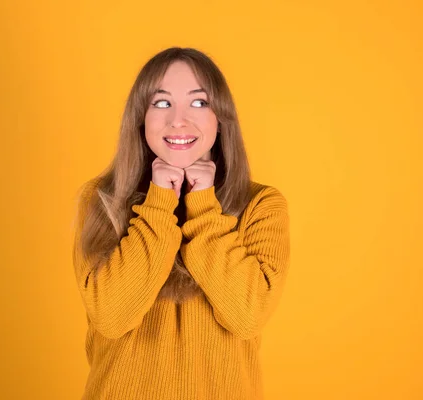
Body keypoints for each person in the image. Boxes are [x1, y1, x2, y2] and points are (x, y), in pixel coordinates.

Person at [72, 47, 290, 400]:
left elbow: (247, 316)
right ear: (140, 118)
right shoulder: (101, 200)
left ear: (221, 118)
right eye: (161, 103)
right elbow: (111, 317)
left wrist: (203, 206)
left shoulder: (261, 206)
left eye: (199, 103)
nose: (178, 120)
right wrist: (159, 200)